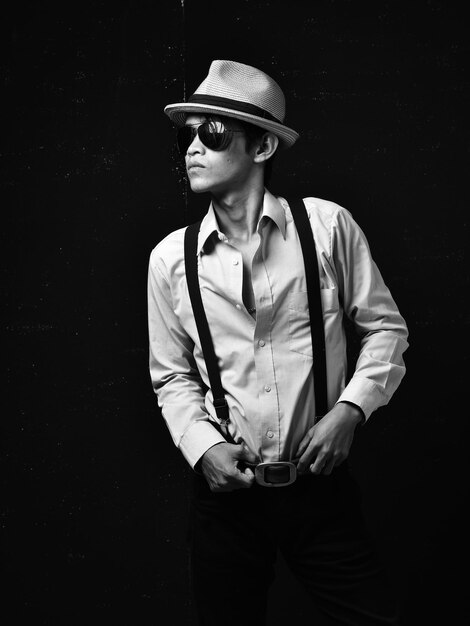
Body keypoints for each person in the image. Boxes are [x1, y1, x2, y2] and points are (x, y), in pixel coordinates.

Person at [147, 59, 409, 626]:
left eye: (212, 134)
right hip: (226, 502)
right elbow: (171, 375)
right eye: (185, 135)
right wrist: (202, 447)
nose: (192, 148)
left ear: (262, 147)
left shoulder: (327, 228)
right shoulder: (170, 259)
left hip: (320, 493)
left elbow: (385, 329)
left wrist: (349, 410)